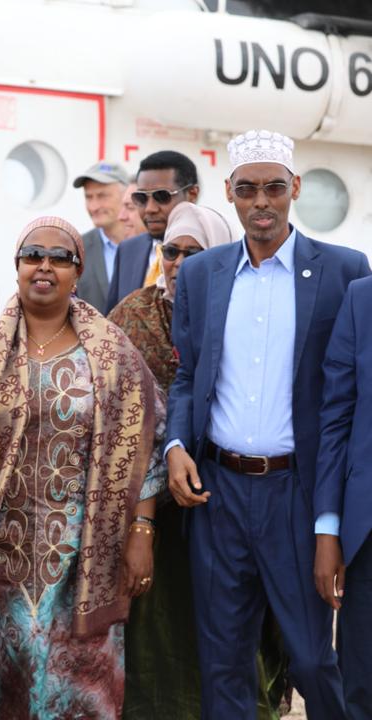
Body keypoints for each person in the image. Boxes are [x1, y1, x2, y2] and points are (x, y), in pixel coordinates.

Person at [166, 130, 369, 719]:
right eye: (248, 189)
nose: (262, 201)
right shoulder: (202, 273)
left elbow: (349, 398)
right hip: (217, 494)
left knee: (312, 658)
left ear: (295, 188)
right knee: (223, 661)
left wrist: (332, 517)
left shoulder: (343, 271)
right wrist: (175, 443)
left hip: (297, 495)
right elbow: (187, 375)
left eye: (274, 188)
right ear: (228, 191)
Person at [0, 216, 165, 719]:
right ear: (16, 266)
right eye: (33, 255)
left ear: (77, 272)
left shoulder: (113, 353)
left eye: (60, 258)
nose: (45, 266)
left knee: (78, 680)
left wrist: (141, 530)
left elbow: (146, 443)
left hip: (85, 549)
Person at [109, 203, 293, 719]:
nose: (180, 263)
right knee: (156, 634)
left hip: (226, 496)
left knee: (231, 624)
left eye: (196, 253)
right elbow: (112, 409)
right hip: (148, 508)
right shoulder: (132, 315)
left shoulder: (244, 309)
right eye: (171, 251)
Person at [316, 274, 372, 719]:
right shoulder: (362, 300)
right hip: (366, 538)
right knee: (362, 688)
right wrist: (328, 528)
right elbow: (336, 419)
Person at [105, 151, 199, 313]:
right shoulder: (128, 250)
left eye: (162, 196)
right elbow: (111, 320)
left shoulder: (212, 251)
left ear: (192, 194)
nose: (150, 208)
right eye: (141, 198)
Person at [71, 161, 130, 311]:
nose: (94, 207)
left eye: (102, 196)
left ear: (127, 196)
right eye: (88, 197)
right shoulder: (76, 249)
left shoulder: (155, 247)